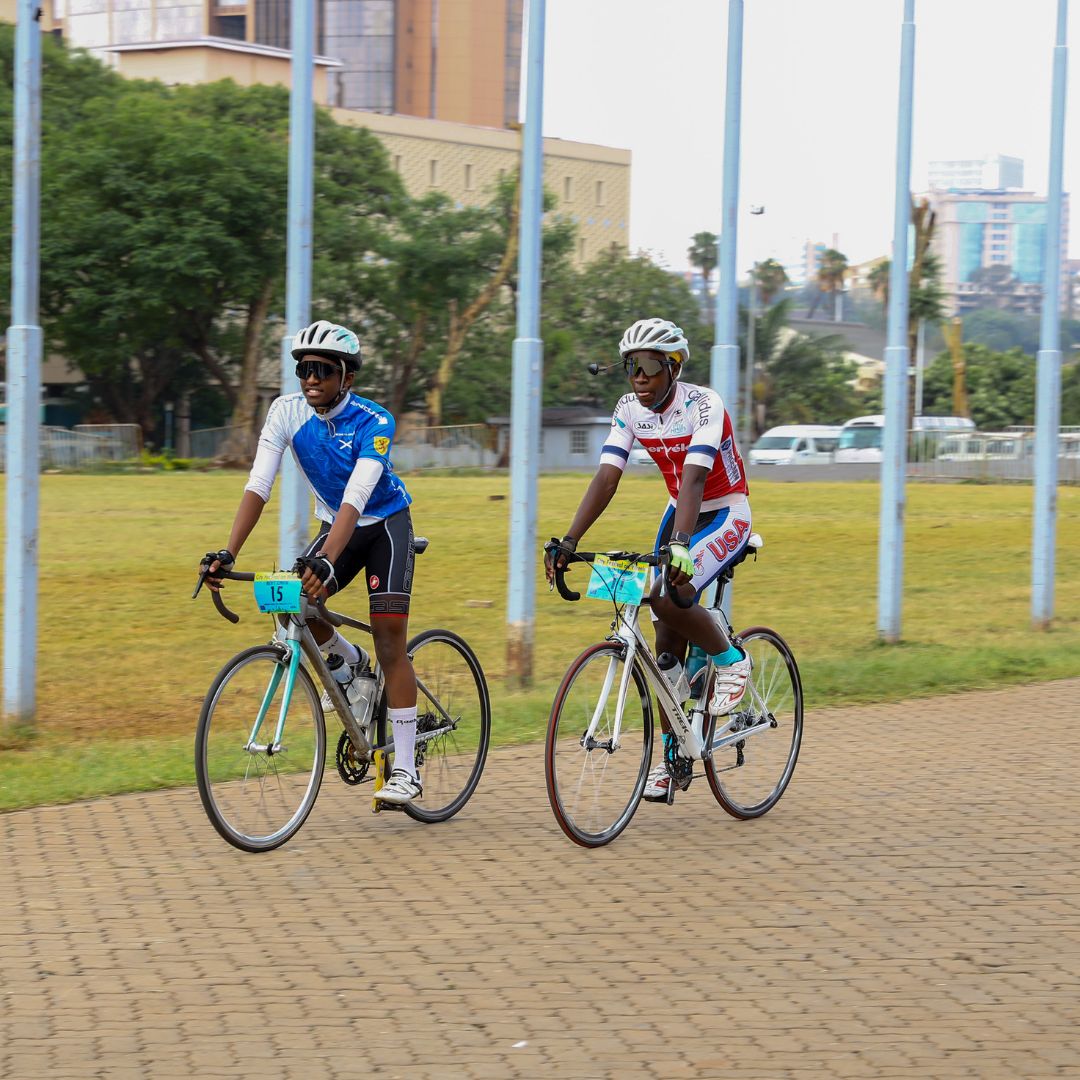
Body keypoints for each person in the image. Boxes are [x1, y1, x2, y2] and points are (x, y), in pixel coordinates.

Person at [202, 319, 422, 806]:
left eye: (323, 369)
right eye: (304, 369)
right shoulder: (285, 412)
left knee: (390, 639)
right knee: (292, 603)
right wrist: (228, 552)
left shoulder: (375, 421)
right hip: (336, 525)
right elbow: (259, 485)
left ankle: (405, 769)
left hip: (384, 525)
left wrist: (326, 559)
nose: (311, 378)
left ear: (347, 377)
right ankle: (352, 667)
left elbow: (357, 497)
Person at [544, 316, 753, 802]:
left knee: (667, 595)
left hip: (724, 511)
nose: (639, 377)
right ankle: (674, 754)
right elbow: (606, 478)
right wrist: (569, 540)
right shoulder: (628, 409)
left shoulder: (704, 405)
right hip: (678, 511)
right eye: (631, 367)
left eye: (650, 366)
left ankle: (731, 659)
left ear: (673, 368)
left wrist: (680, 544)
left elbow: (696, 480)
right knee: (663, 651)